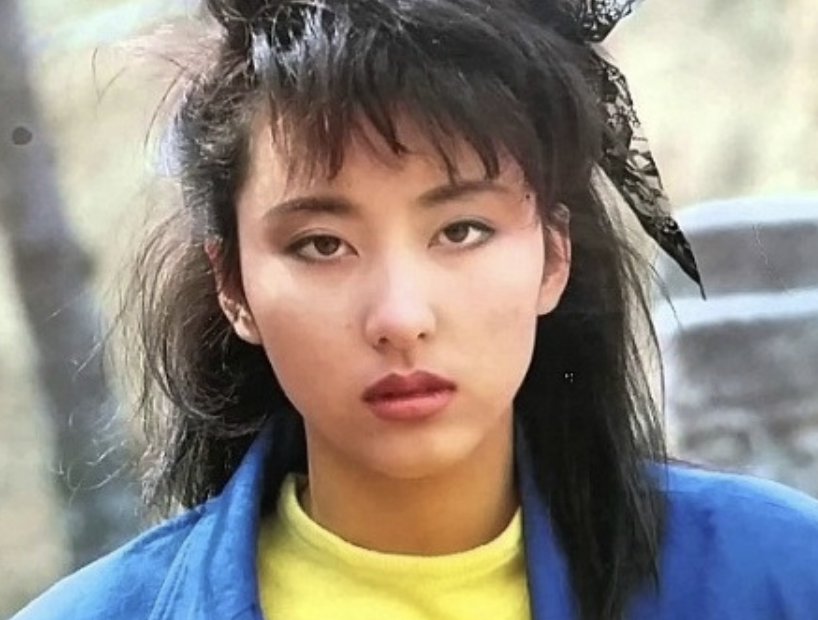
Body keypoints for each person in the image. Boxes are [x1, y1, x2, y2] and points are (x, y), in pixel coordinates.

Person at [12, 0, 818, 619]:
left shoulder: (778, 577)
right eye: (322, 244)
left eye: (461, 231)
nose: (400, 317)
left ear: (553, 255)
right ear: (234, 286)